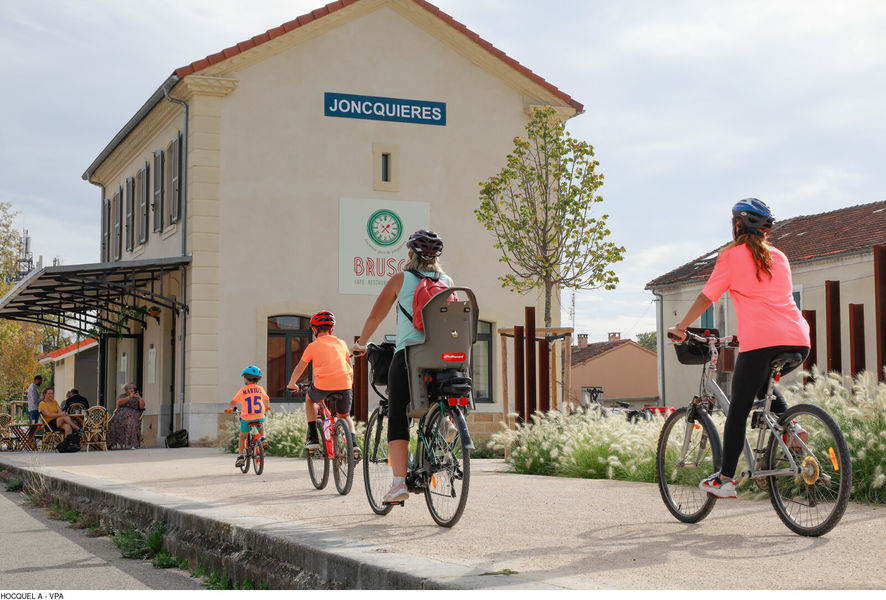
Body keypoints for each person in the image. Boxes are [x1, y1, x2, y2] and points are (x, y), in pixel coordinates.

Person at [668, 198, 810, 499]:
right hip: (798, 339)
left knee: (738, 410)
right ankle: (792, 428)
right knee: (762, 386)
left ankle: (725, 479)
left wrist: (681, 328)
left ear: (737, 226)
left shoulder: (732, 256)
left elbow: (708, 297)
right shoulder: (780, 257)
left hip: (761, 341)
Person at [351, 230, 453, 504]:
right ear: (436, 258)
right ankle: (444, 421)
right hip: (444, 360)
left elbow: (376, 314)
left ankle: (398, 484)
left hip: (410, 358)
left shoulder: (401, 278)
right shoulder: (448, 282)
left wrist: (361, 343)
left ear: (410, 254)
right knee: (436, 404)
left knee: (398, 417)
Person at [287, 311, 359, 460]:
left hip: (323, 386)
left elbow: (301, 367)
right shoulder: (342, 343)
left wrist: (292, 383)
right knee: (345, 416)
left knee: (310, 399)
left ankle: (313, 437)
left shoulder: (313, 346)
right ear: (331, 330)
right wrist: (348, 384)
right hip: (345, 385)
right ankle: (354, 444)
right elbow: (349, 366)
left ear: (314, 330)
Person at [226, 366, 270, 469]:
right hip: (259, 415)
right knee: (261, 422)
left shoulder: (242, 391)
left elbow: (233, 402)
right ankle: (263, 438)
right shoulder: (260, 389)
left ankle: (241, 456)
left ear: (246, 379)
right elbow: (266, 399)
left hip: (247, 418)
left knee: (242, 437)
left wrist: (229, 408)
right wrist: (267, 407)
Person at [107, 383, 145, 449]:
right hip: (121, 414)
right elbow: (119, 403)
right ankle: (109, 443)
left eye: (133, 388)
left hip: (133, 413)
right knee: (111, 423)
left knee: (130, 422)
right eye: (130, 388)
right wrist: (129, 397)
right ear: (126, 390)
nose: (132, 390)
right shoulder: (122, 396)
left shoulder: (137, 397)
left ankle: (133, 444)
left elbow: (142, 406)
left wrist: (139, 398)